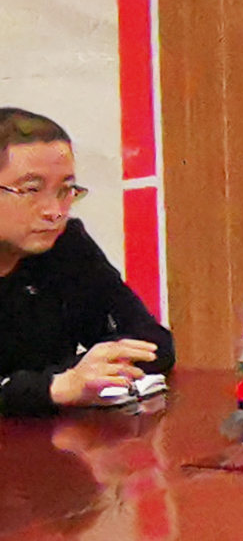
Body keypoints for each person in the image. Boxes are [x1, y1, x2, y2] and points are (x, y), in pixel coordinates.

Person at [0, 109, 172, 417]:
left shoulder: (65, 247)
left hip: (50, 439)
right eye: (31, 190)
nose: (54, 211)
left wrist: (80, 375)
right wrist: (54, 387)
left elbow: (151, 342)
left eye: (65, 190)